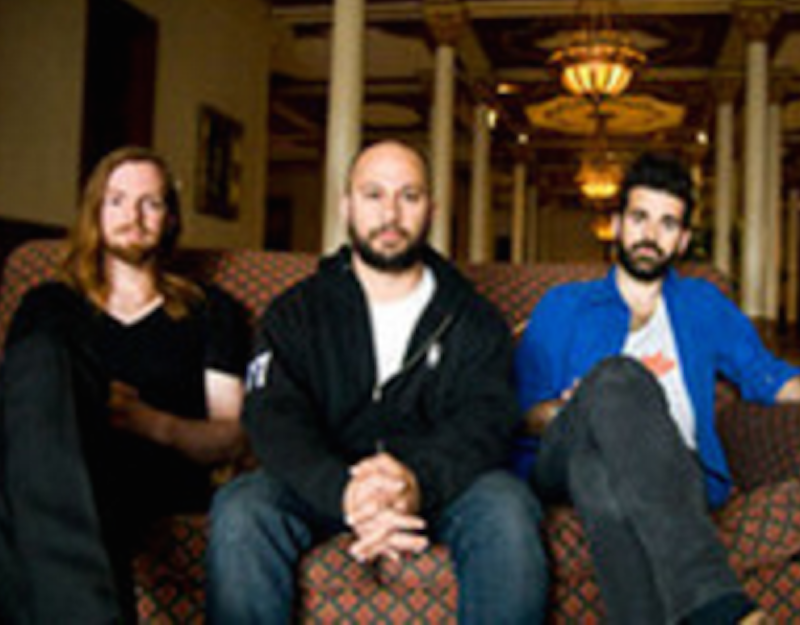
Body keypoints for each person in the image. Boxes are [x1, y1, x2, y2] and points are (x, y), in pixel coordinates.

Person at [207, 140, 548, 624]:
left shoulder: (473, 317)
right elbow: (272, 416)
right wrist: (345, 492)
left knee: (509, 509)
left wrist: (415, 483)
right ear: (346, 205)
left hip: (439, 485)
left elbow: (486, 420)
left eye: (409, 196)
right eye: (374, 195)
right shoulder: (295, 312)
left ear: (432, 209)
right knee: (241, 509)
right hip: (321, 481)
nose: (391, 213)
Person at [515, 152, 800, 625]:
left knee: (598, 475)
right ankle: (718, 603)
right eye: (639, 218)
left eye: (667, 224)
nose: (650, 235)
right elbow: (522, 414)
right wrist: (580, 406)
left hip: (677, 467)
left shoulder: (703, 304)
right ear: (617, 224)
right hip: (560, 455)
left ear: (683, 239)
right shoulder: (564, 305)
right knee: (616, 378)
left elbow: (765, 375)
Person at [0, 146, 249, 623]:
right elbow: (22, 416)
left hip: (153, 475)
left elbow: (232, 435)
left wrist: (148, 421)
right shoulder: (49, 304)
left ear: (170, 218)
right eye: (116, 201)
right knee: (45, 355)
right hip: (58, 468)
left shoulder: (209, 310)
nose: (132, 217)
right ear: (95, 211)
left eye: (149, 203)